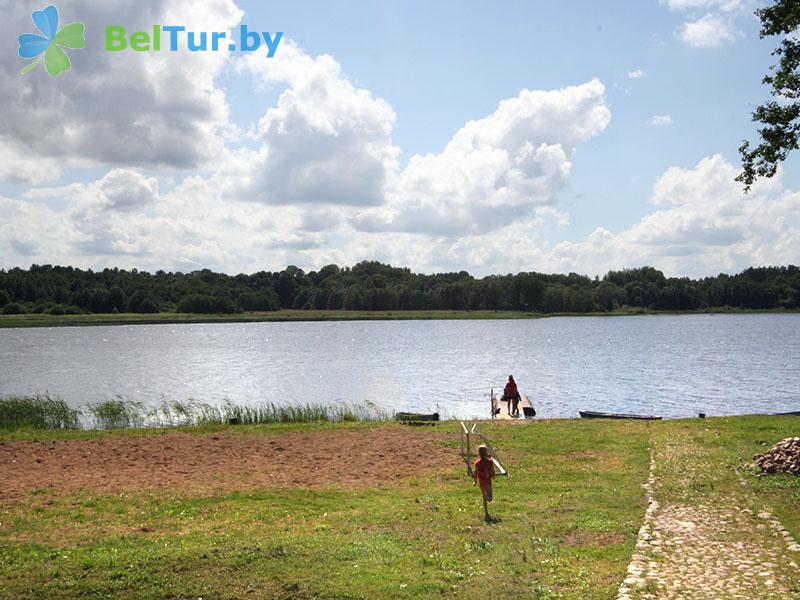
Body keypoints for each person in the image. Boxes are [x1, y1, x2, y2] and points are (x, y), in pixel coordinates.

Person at [473, 444, 495, 522]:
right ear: (486, 453)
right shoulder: (489, 462)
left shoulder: (478, 463)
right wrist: (493, 476)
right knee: (489, 498)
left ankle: (486, 512)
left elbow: (475, 473)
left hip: (482, 482)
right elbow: (492, 470)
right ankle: (486, 512)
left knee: (484, 497)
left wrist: (475, 481)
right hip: (487, 481)